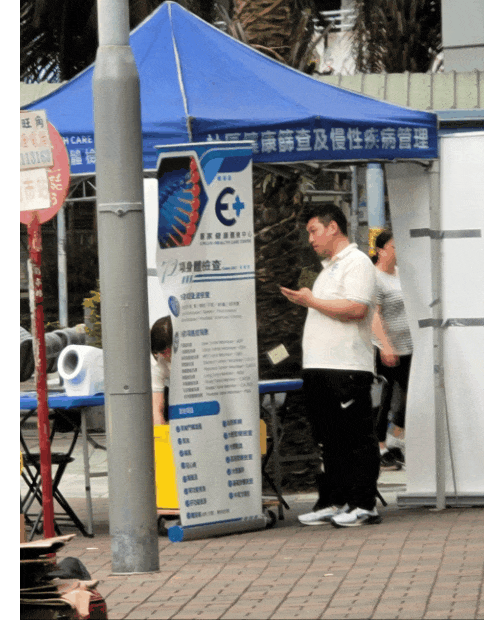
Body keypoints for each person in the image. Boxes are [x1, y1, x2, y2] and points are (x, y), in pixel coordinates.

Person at [280, 203, 381, 528]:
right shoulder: (326, 269)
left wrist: (311, 300)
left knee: (355, 437)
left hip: (346, 367)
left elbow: (356, 309)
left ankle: (364, 504)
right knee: (329, 439)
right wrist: (308, 300)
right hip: (319, 367)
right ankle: (334, 500)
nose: (310, 239)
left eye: (314, 230)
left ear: (333, 227)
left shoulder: (357, 262)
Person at [371, 231, 412, 469]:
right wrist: (385, 345)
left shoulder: (401, 275)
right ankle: (380, 447)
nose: (398, 251)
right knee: (385, 399)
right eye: (394, 246)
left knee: (409, 396)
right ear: (381, 250)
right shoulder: (375, 277)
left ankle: (396, 439)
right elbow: (374, 314)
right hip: (385, 349)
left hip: (409, 347)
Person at [150, 315, 173, 426]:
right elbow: (156, 410)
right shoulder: (158, 363)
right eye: (160, 352)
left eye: (165, 351)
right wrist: (161, 434)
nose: (163, 355)